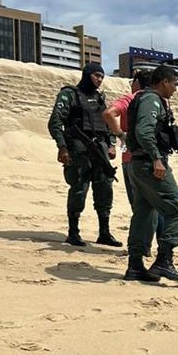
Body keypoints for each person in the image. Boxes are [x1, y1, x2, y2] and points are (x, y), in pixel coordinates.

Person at [123, 64, 178, 283]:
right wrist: (156, 159)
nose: (175, 90)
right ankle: (164, 260)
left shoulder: (144, 99)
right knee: (177, 207)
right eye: (174, 84)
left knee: (144, 212)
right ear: (164, 82)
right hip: (149, 164)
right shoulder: (151, 100)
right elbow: (144, 130)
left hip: (138, 164)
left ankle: (135, 265)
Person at [47, 61, 121, 247]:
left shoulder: (99, 98)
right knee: (79, 189)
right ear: (87, 74)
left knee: (105, 189)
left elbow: (107, 122)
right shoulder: (69, 94)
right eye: (96, 75)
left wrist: (111, 144)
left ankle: (104, 232)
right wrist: (62, 147)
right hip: (78, 149)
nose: (99, 80)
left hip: (100, 149)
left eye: (102, 76)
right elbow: (55, 122)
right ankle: (73, 232)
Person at [102, 69, 159, 253]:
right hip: (153, 159)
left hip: (130, 158)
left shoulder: (131, 98)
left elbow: (109, 113)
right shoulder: (158, 101)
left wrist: (120, 135)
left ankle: (140, 247)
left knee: (138, 206)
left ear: (137, 83)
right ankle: (146, 246)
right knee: (152, 205)